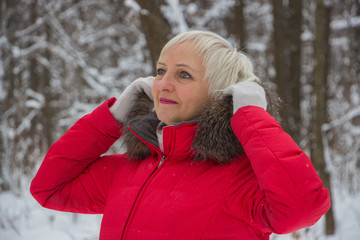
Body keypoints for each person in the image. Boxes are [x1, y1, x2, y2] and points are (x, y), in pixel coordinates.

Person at [30, 30, 331, 239]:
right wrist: (112, 117)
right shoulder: (130, 169)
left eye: (183, 74)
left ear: (220, 92)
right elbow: (49, 188)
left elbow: (302, 209)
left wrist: (251, 116)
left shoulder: (239, 180)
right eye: (161, 71)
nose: (163, 84)